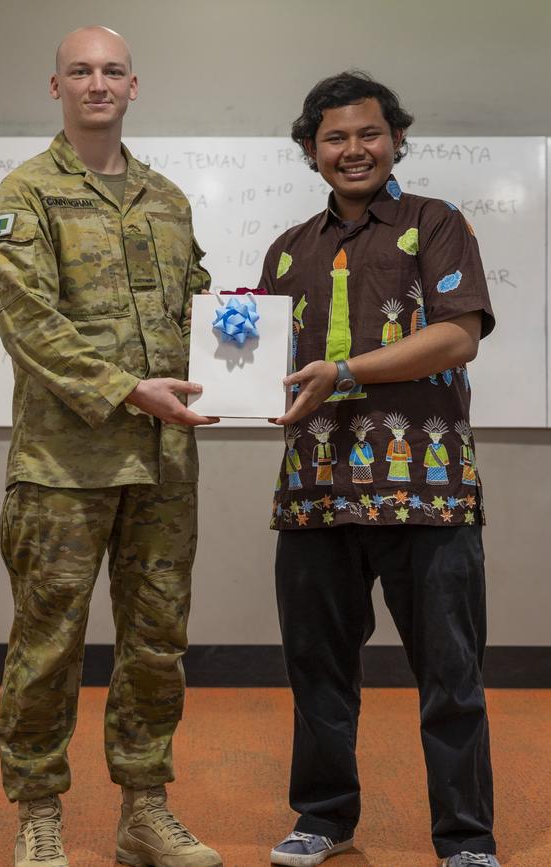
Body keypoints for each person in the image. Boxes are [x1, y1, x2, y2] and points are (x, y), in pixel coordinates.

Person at [0, 25, 222, 867]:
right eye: (79, 71)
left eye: (112, 71)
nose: (96, 83)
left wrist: (248, 368)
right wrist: (125, 390)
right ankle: (38, 815)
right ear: (57, 88)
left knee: (158, 642)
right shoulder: (28, 194)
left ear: (133, 85)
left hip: (163, 466)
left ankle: (143, 811)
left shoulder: (168, 200)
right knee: (48, 646)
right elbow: (30, 328)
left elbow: (195, 324)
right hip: (62, 470)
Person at [259, 72, 499, 867]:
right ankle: (324, 819)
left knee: (451, 678)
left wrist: (346, 372)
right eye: (335, 137)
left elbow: (458, 335)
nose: (353, 149)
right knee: (318, 673)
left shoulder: (437, 224)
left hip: (426, 494)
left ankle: (465, 840)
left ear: (395, 140)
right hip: (315, 495)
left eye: (369, 134)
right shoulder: (288, 248)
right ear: (310, 151)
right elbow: (260, 356)